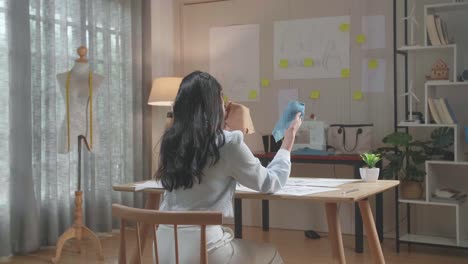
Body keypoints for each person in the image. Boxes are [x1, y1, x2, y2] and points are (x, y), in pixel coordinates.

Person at [155, 71, 302, 264]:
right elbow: (269, 182)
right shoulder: (228, 143)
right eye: (222, 101)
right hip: (203, 251)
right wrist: (287, 143)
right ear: (214, 107)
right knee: (271, 252)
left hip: (163, 249)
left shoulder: (171, 141)